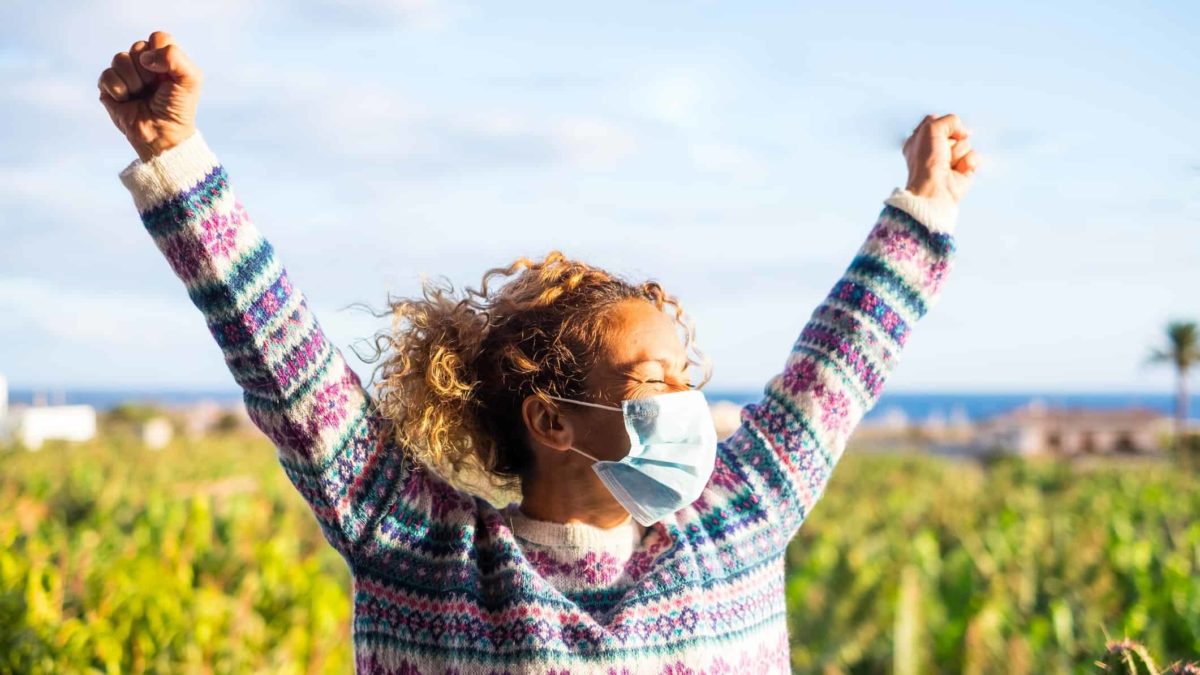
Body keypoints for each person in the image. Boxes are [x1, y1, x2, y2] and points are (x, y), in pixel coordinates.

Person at [99, 31, 978, 675]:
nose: (688, 401)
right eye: (653, 379)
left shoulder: (737, 520)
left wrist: (926, 203)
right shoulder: (424, 556)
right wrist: (171, 157)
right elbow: (285, 362)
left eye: (687, 375)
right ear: (552, 419)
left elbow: (841, 361)